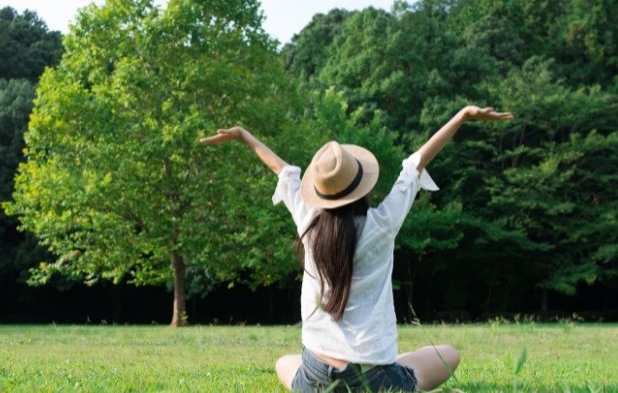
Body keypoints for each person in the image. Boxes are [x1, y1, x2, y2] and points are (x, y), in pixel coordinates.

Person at [201, 105, 513, 392]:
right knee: (448, 354)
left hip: (316, 375)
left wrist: (243, 135)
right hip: (375, 378)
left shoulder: (308, 221)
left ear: (320, 192)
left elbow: (283, 171)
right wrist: (461, 117)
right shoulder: (381, 224)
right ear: (362, 187)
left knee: (284, 362)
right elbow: (415, 164)